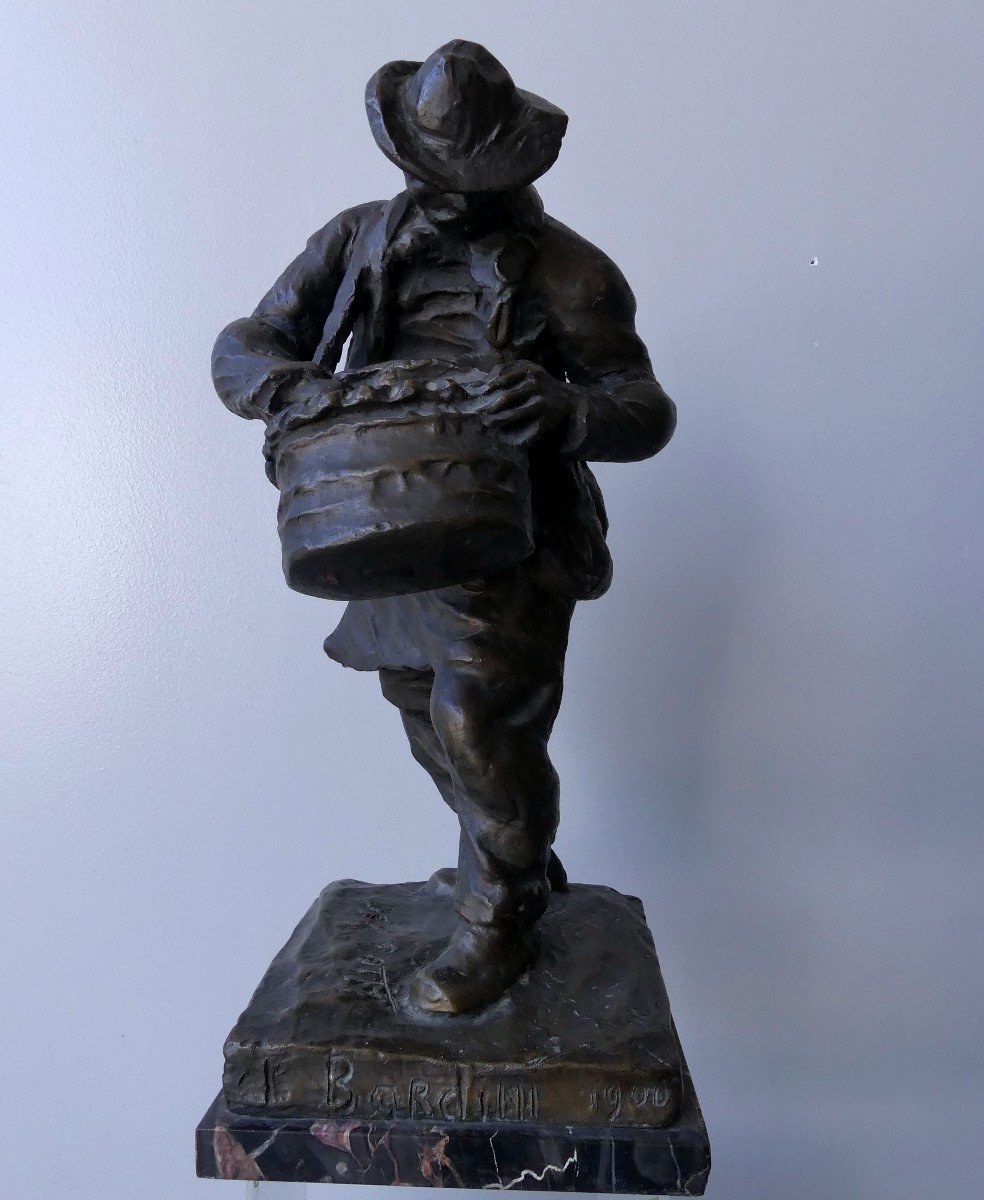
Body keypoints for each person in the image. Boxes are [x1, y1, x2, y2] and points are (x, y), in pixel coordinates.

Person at [212, 40, 675, 1014]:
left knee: (477, 718)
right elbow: (247, 343)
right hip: (384, 516)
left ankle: (496, 919)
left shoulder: (573, 274)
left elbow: (643, 408)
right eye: (436, 173)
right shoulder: (356, 240)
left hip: (514, 539)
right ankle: (508, 857)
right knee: (422, 706)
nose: (454, 196)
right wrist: (289, 390)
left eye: (477, 177)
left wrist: (565, 408)